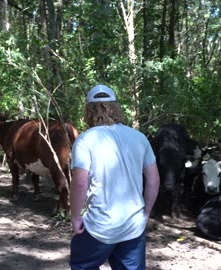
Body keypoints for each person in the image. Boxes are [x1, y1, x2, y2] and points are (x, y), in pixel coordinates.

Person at [69, 84, 160, 270]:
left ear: (89, 111)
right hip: (134, 225)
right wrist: (146, 213)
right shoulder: (139, 137)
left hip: (99, 226)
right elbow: (153, 179)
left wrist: (76, 217)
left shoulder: (86, 139)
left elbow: (79, 183)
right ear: (116, 107)